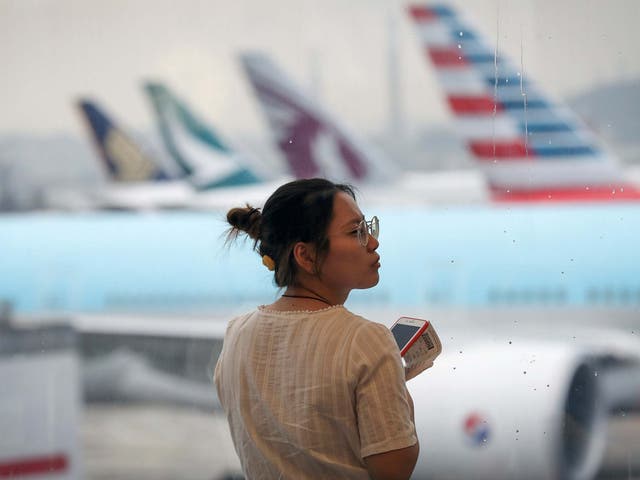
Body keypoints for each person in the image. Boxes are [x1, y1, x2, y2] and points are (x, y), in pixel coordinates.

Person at [214, 178, 419, 480]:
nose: (372, 242)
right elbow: (393, 469)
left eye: (368, 227)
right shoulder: (365, 341)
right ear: (306, 256)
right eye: (355, 232)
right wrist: (396, 392)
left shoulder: (237, 333)